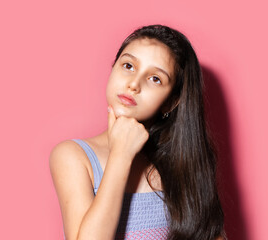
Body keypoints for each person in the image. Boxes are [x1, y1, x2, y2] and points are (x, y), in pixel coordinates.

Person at [49, 24, 226, 240]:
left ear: (170, 102)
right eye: (128, 65)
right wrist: (121, 154)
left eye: (155, 78)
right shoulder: (73, 156)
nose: (134, 84)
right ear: (112, 68)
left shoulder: (183, 167)